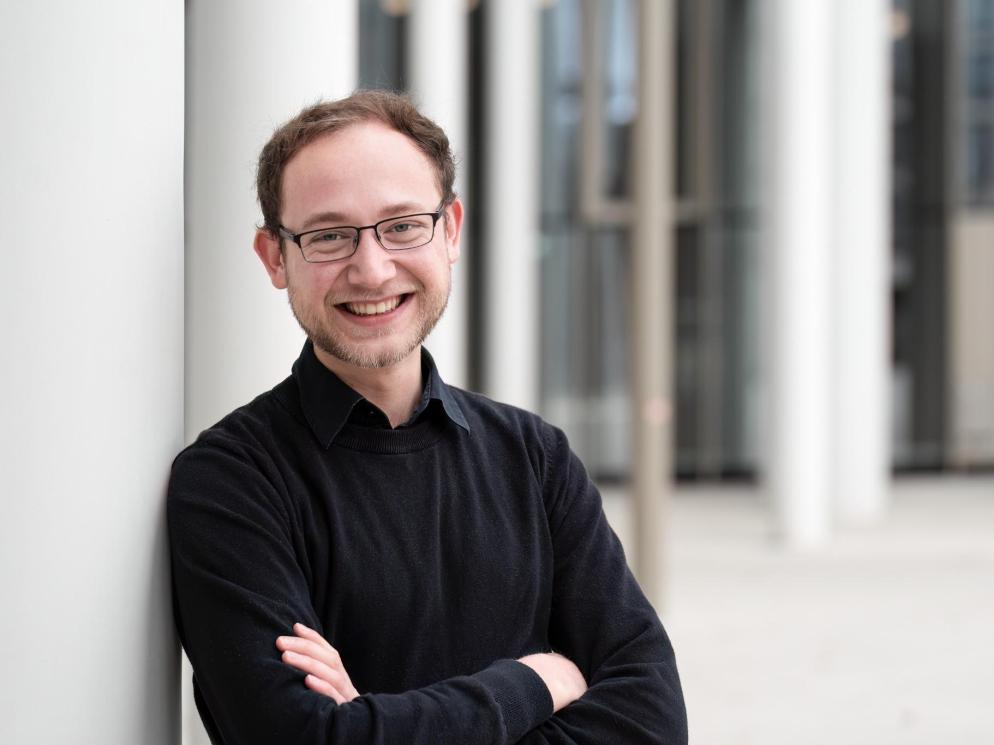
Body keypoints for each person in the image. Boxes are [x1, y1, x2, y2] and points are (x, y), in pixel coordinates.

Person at [168, 90, 687, 745]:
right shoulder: (230, 483)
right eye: (329, 235)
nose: (372, 267)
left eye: (403, 224)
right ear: (276, 256)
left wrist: (376, 722)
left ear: (451, 230)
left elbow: (653, 721)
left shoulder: (535, 457)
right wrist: (532, 683)